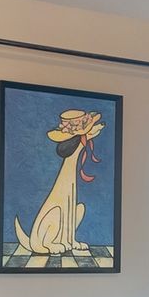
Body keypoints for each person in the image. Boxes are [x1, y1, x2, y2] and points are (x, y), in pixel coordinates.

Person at [14, 109, 104, 255]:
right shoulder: (71, 149)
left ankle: (69, 240)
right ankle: (48, 242)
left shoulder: (78, 145)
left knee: (78, 208)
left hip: (70, 178)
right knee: (57, 208)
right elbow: (89, 134)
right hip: (41, 242)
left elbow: (90, 134)